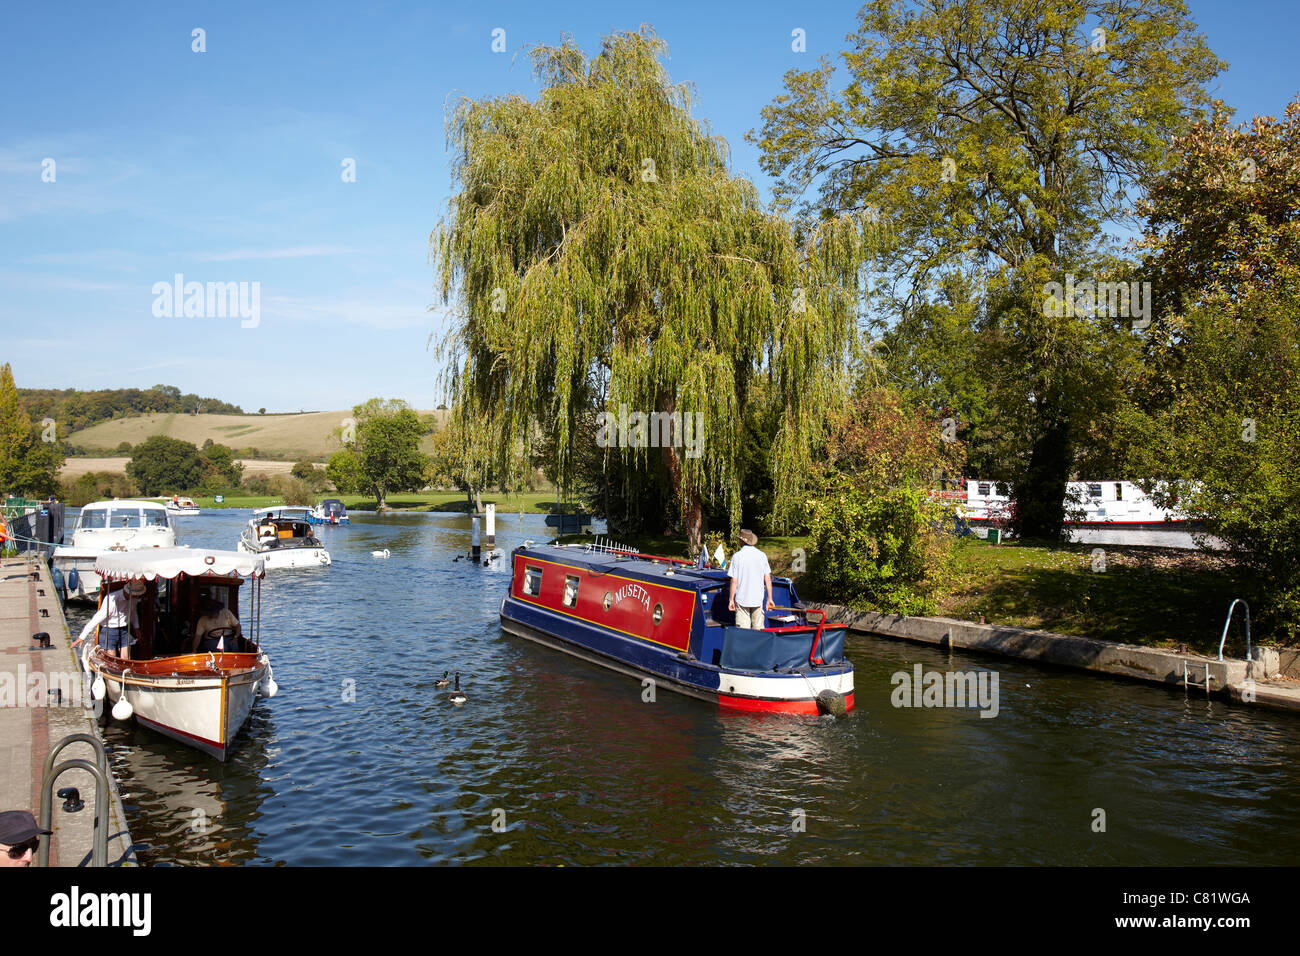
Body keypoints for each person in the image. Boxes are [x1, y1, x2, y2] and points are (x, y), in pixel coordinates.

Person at [71, 580, 144, 659]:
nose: (137, 597)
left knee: (126, 657)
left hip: (125, 628)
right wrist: (82, 637)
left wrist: (137, 628)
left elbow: (133, 612)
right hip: (108, 629)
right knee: (111, 657)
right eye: (135, 595)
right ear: (128, 593)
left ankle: (125, 669)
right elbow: (96, 619)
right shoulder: (111, 600)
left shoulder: (134, 599)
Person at [727, 529, 774, 629]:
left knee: (743, 634)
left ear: (742, 541)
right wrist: (770, 598)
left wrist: (731, 600)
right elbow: (768, 579)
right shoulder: (762, 556)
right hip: (757, 599)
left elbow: (734, 581)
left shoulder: (737, 557)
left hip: (742, 599)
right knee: (758, 632)